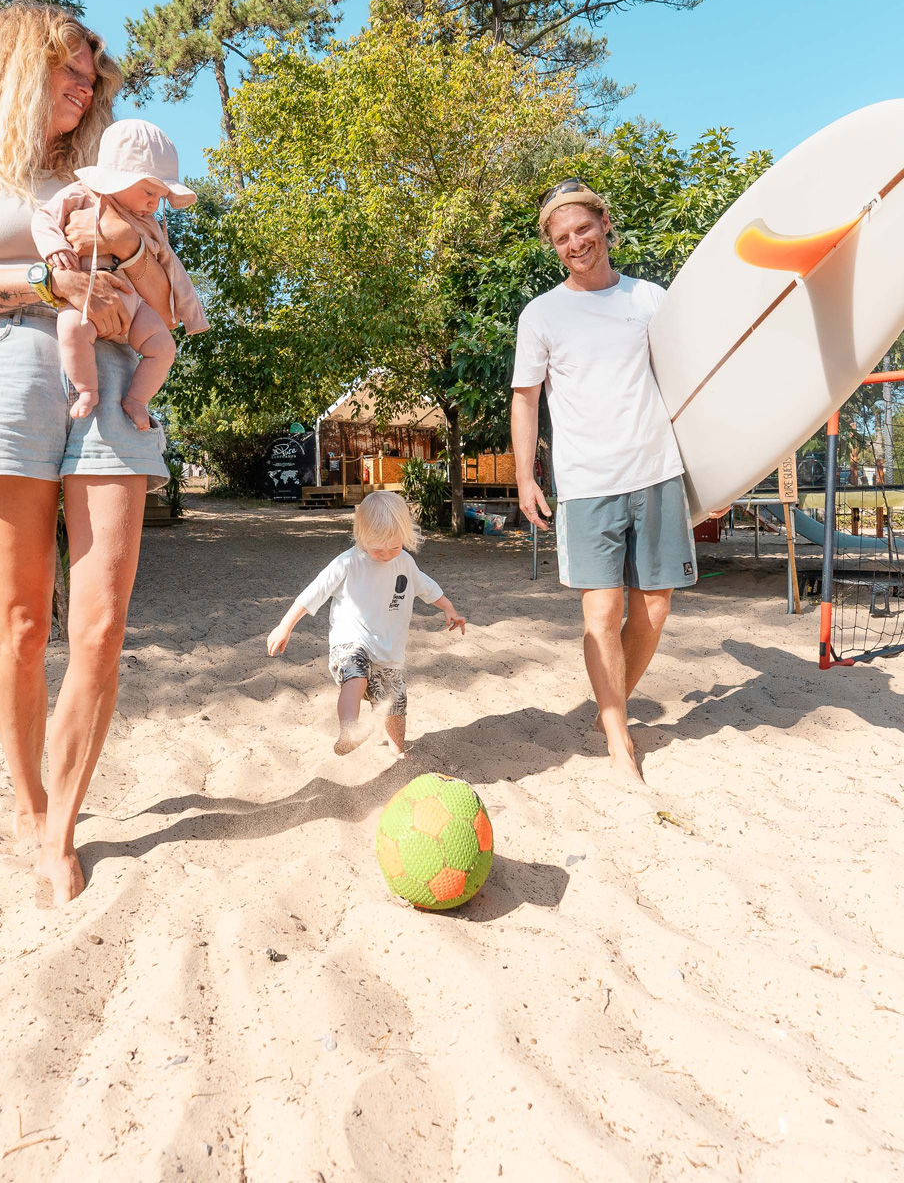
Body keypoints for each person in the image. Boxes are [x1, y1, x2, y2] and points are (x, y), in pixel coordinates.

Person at [0, 1, 172, 904]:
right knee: (23, 625)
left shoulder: (108, 169)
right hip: (3, 372)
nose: (82, 87)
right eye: (67, 70)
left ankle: (62, 832)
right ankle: (29, 809)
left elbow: (167, 305)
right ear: (17, 66)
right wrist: (37, 276)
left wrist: (133, 241)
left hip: (112, 372)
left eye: (90, 78)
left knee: (99, 626)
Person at [510, 179, 695, 784]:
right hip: (588, 481)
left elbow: (690, 377)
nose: (575, 243)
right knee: (601, 611)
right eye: (562, 238)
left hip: (657, 469)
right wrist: (524, 473)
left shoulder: (649, 299)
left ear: (605, 224)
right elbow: (525, 399)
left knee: (656, 609)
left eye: (583, 230)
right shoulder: (541, 314)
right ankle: (619, 736)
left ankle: (608, 705)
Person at [31, 118, 208, 430]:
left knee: (164, 347)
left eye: (161, 196)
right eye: (149, 191)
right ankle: (87, 390)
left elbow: (171, 270)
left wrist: (188, 311)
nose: (154, 203)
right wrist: (53, 248)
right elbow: (44, 218)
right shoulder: (81, 195)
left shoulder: (149, 224)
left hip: (134, 306)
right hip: (83, 299)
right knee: (71, 329)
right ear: (118, 178)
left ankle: (136, 400)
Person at [266, 491, 468, 756]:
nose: (385, 554)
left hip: (388, 651)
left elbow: (428, 589)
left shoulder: (405, 563)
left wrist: (449, 609)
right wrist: (285, 626)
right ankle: (348, 731)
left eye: (394, 547)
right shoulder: (347, 563)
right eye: (376, 548)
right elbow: (312, 593)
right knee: (356, 673)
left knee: (393, 705)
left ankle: (398, 753)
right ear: (361, 536)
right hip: (350, 641)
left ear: (405, 538)